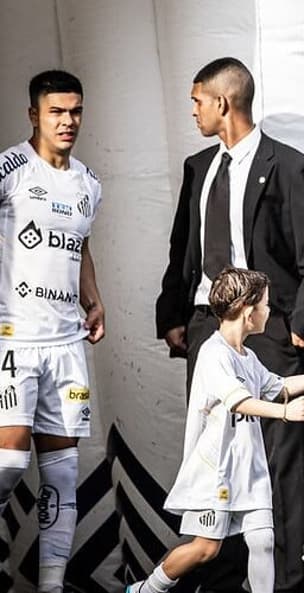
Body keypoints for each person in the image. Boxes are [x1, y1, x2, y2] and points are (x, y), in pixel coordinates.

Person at [154, 57, 304, 593]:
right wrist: (174, 313)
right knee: (215, 451)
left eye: (198, 101)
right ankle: (221, 579)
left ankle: (290, 579)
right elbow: (184, 247)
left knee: (280, 452)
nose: (194, 111)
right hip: (207, 324)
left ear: (222, 103)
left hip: (271, 327)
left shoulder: (291, 167)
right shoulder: (198, 167)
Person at [129, 268, 304, 593]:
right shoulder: (213, 353)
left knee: (262, 539)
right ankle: (147, 589)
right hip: (217, 472)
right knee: (205, 549)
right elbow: (238, 401)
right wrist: (285, 413)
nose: (269, 312)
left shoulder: (248, 356)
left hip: (249, 470)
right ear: (248, 311)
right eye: (265, 305)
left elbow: (278, 385)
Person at [0, 70, 105, 593]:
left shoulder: (89, 183)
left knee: (62, 474)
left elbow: (79, 245)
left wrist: (93, 297)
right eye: (56, 112)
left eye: (75, 111)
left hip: (67, 345)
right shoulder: (10, 169)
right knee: (11, 459)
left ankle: (51, 586)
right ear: (33, 115)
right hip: (13, 339)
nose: (67, 122)